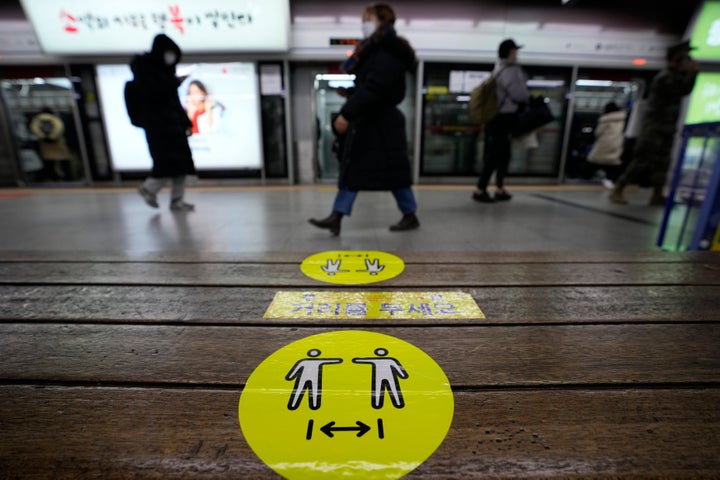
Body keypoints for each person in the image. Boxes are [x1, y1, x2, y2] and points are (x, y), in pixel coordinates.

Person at [308, 3, 419, 236]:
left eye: (368, 19)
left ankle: (410, 215)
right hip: (373, 120)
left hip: (383, 124)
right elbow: (371, 87)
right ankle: (336, 216)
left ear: (382, 21)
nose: (364, 24)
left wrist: (347, 112)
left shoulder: (387, 51)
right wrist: (350, 93)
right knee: (354, 169)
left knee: (394, 174)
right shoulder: (376, 50)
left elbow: (376, 88)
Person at [610, 40, 699, 206]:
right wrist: (692, 73)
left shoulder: (675, 76)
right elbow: (683, 89)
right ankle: (618, 188)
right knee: (641, 160)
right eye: (684, 58)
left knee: (663, 162)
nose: (688, 61)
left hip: (667, 127)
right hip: (654, 127)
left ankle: (657, 194)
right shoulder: (665, 77)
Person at [132, 33, 196, 212]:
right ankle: (148, 189)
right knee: (166, 164)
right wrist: (172, 84)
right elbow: (155, 97)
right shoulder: (146, 75)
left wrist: (185, 123)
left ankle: (177, 200)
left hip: (174, 128)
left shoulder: (167, 76)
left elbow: (175, 105)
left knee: (180, 167)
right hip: (159, 129)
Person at [472, 38, 530, 203]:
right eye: (515, 51)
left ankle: (499, 187)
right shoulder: (510, 70)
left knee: (501, 153)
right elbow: (519, 94)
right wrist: (527, 97)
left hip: (496, 118)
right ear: (510, 52)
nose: (517, 54)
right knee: (497, 154)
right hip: (504, 117)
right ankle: (480, 189)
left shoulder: (498, 68)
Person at [585, 101, 627, 188]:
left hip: (604, 142)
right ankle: (609, 179)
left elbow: (598, 133)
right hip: (618, 142)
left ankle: (587, 176)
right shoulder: (624, 118)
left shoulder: (604, 119)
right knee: (613, 162)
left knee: (594, 159)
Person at [29, 108, 73, 181]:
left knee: (49, 164)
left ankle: (52, 178)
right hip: (58, 145)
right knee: (64, 163)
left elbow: (34, 130)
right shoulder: (54, 118)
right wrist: (53, 137)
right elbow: (60, 128)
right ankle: (68, 177)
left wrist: (44, 138)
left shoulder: (37, 120)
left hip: (45, 146)